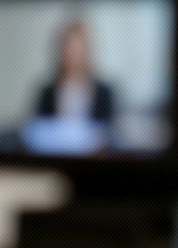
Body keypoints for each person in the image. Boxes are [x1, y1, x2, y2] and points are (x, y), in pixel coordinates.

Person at [26, 17, 117, 151]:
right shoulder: (46, 92)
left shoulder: (105, 92)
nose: (73, 53)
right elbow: (35, 134)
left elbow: (112, 135)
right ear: (61, 49)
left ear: (87, 50)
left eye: (78, 47)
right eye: (69, 46)